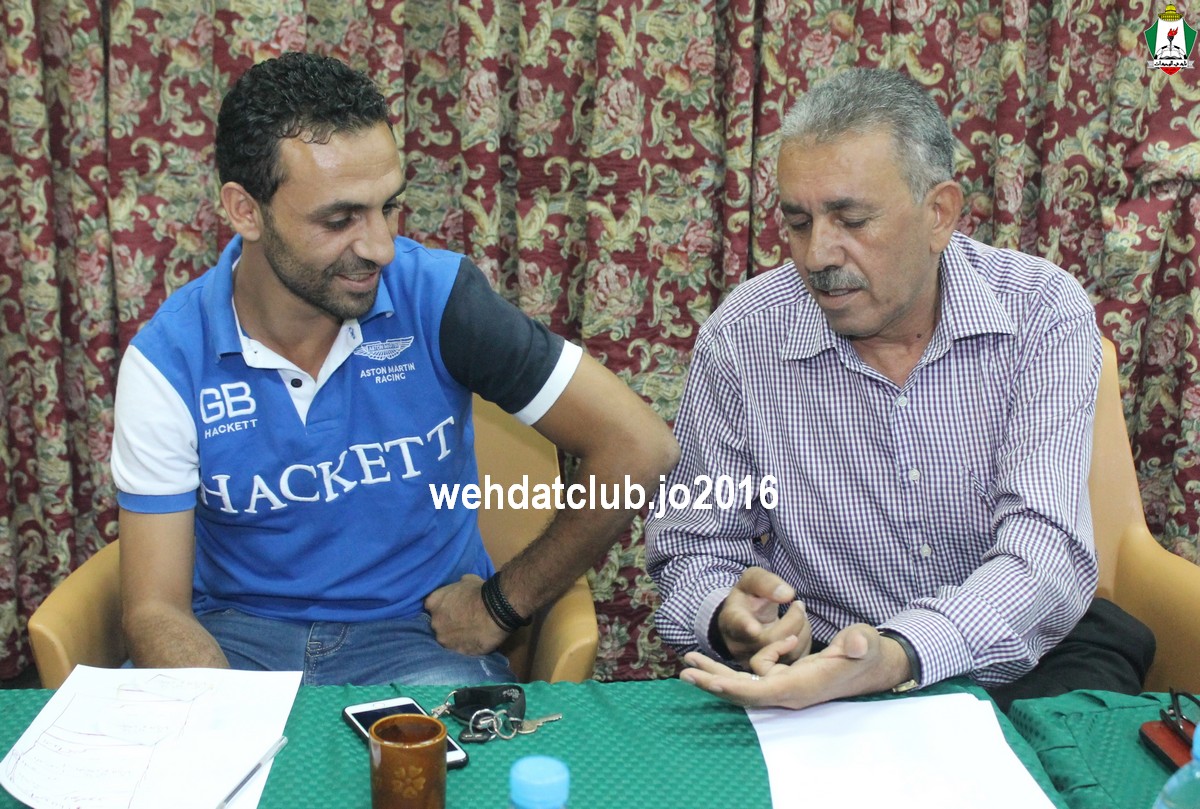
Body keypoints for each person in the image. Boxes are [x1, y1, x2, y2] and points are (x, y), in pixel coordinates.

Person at [111, 51, 679, 686]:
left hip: (416, 638)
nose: (379, 246)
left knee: (446, 754)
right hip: (236, 640)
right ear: (245, 211)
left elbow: (640, 444)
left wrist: (500, 605)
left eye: (387, 207)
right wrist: (226, 719)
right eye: (339, 219)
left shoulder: (437, 298)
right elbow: (155, 609)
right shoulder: (167, 360)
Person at [646, 68, 1152, 711]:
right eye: (798, 222)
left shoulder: (1040, 311)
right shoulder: (742, 337)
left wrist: (899, 653)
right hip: (824, 666)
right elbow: (694, 543)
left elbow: (1044, 550)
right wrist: (731, 618)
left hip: (1029, 658)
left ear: (939, 214)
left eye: (852, 220)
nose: (817, 255)